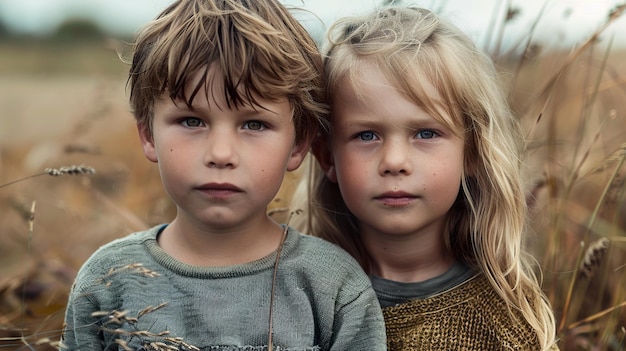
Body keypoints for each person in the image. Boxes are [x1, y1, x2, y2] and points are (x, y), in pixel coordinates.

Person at [60, 0, 387, 350]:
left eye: (254, 124)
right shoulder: (108, 281)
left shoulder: (332, 286)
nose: (220, 154)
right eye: (191, 121)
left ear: (298, 145)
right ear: (149, 135)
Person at [303, 6, 559, 350]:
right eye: (366, 135)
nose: (394, 162)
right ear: (326, 157)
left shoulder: (507, 327)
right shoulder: (292, 297)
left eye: (425, 133)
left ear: (472, 153)